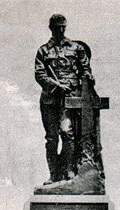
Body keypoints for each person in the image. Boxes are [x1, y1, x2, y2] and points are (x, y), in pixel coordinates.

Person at [34, 14, 94, 184]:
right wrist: (56, 85)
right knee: (52, 138)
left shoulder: (76, 48)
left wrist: (88, 76)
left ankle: (67, 170)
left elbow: (85, 68)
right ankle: (54, 174)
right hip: (50, 100)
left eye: (63, 27)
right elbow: (39, 74)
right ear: (51, 28)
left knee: (68, 135)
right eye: (57, 27)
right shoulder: (43, 51)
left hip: (70, 99)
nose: (61, 30)